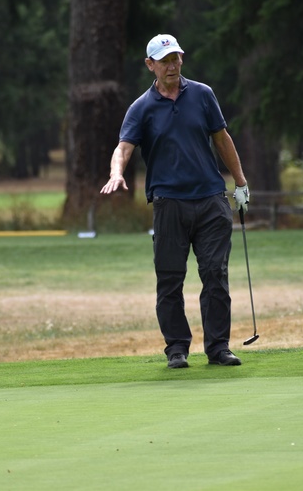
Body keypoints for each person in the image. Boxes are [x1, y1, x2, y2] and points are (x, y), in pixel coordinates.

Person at [100, 34, 250, 369]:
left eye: (176, 58)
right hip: (169, 203)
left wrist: (240, 182)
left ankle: (218, 348)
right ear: (150, 65)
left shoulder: (203, 94)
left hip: (211, 200)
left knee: (215, 274)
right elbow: (123, 147)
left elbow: (222, 139)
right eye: (165, 61)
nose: (172, 66)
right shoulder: (141, 107)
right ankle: (177, 348)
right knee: (170, 279)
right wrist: (116, 173)